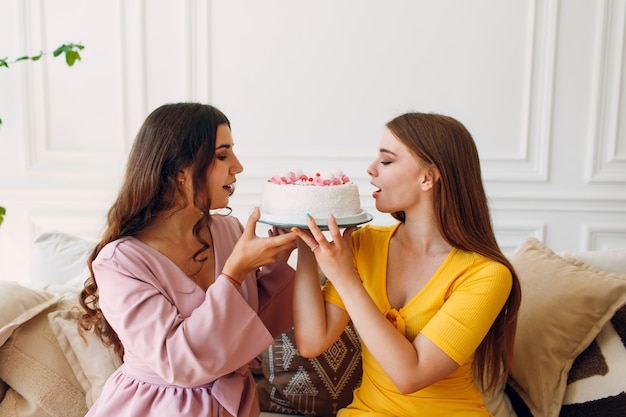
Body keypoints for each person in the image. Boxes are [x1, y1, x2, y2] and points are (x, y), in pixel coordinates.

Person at [290, 112, 522, 416]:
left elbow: (410, 375)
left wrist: (345, 278)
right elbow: (311, 341)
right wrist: (306, 242)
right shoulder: (365, 243)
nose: (371, 169)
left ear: (427, 177)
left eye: (386, 161)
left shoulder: (486, 275)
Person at [78, 102, 299, 417]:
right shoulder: (120, 262)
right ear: (181, 171)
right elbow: (177, 362)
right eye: (222, 155)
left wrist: (278, 262)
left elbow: (253, 328)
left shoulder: (230, 231)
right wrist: (234, 273)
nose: (237, 166)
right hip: (157, 407)